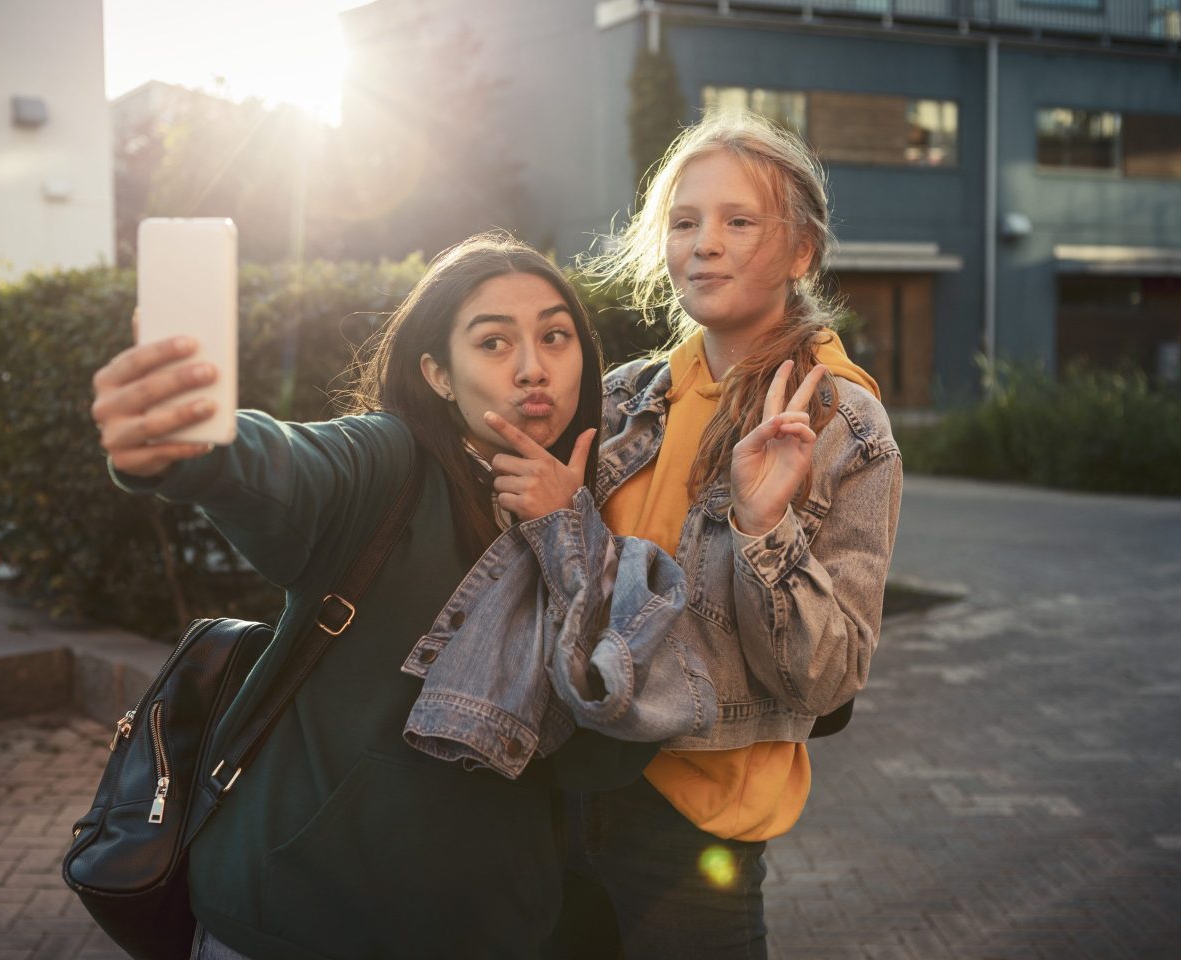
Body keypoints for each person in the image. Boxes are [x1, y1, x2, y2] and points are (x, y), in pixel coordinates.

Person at [90, 233, 709, 960]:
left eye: (554, 336)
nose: (532, 367)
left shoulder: (605, 519)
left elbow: (599, 760)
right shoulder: (389, 467)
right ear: (437, 374)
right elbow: (292, 465)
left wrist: (564, 534)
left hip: (489, 934)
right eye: (492, 343)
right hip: (293, 923)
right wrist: (192, 445)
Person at [550, 110, 904, 958]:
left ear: (801, 252)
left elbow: (826, 675)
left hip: (695, 825)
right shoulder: (628, 394)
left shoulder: (841, 423)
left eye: (739, 221)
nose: (703, 243)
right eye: (684, 220)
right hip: (567, 788)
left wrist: (761, 525)